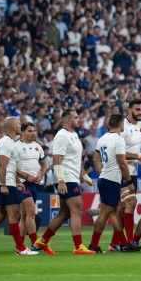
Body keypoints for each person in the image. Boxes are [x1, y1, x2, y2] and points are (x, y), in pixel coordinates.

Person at [34, 109, 95, 255]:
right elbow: (57, 160)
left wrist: (86, 177)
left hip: (72, 177)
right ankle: (78, 246)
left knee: (64, 212)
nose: (79, 119)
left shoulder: (74, 135)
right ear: (68, 121)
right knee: (77, 208)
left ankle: (42, 241)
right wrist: (61, 180)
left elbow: (77, 160)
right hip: (66, 178)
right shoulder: (61, 136)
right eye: (76, 117)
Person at [89, 113, 140, 253]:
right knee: (105, 214)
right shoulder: (118, 140)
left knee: (116, 211)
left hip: (107, 179)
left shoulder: (103, 138)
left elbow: (95, 159)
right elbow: (122, 162)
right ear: (121, 124)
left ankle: (123, 243)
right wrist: (129, 182)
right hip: (111, 180)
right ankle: (93, 245)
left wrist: (102, 174)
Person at [0, 117, 38, 256]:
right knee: (13, 215)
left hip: (7, 182)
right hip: (5, 184)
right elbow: (2, 165)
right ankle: (21, 248)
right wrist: (4, 184)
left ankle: (21, 247)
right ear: (14, 127)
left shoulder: (9, 142)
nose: (20, 126)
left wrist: (17, 181)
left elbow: (10, 166)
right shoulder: (6, 142)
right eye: (19, 124)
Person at [113, 99, 141, 250]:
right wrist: (137, 156)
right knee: (131, 203)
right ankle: (129, 241)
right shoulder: (122, 127)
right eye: (137, 109)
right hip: (120, 170)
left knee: (122, 208)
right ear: (129, 110)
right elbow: (119, 153)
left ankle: (115, 243)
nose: (140, 112)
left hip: (133, 172)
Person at [15, 121, 47, 252]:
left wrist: (41, 175)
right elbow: (12, 166)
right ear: (22, 132)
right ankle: (34, 243)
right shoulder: (16, 146)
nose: (33, 133)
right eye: (30, 131)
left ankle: (19, 245)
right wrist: (26, 176)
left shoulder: (37, 147)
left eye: (34, 131)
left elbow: (44, 164)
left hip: (34, 184)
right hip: (22, 183)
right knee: (31, 212)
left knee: (24, 215)